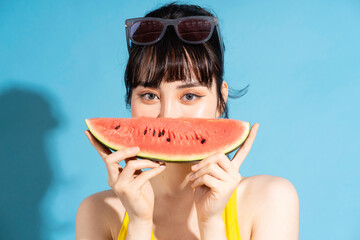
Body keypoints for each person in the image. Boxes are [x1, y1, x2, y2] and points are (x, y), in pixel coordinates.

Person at [76, 3, 299, 240]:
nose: (168, 115)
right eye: (149, 95)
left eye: (190, 96)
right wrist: (139, 223)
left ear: (221, 100)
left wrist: (211, 222)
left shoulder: (270, 198)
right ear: (130, 100)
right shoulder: (98, 211)